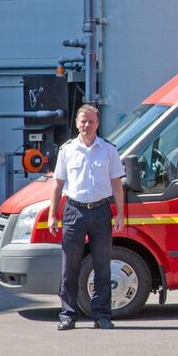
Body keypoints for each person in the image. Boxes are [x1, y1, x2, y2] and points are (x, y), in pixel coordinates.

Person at [51, 104, 127, 330]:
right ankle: (68, 314)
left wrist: (121, 213)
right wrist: (53, 214)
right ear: (76, 123)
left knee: (102, 265)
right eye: (83, 121)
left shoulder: (108, 150)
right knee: (70, 266)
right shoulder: (67, 150)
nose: (87, 125)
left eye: (91, 121)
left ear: (97, 124)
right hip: (74, 211)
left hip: (101, 211)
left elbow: (116, 184)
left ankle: (101, 315)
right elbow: (58, 184)